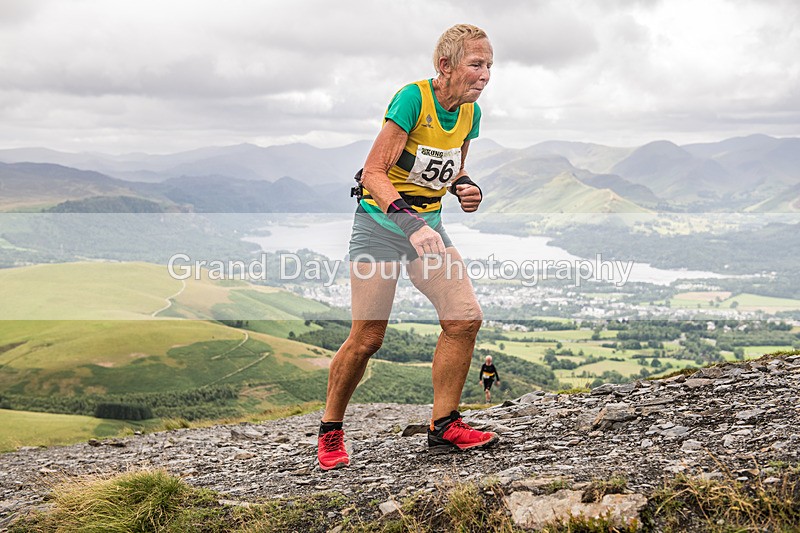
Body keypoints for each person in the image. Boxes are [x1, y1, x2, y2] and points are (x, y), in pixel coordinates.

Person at [317, 24, 498, 470]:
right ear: (445, 65)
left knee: (464, 319)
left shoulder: (470, 114)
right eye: (476, 64)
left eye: (490, 66)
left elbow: (451, 170)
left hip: (427, 227)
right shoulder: (412, 100)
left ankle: (444, 425)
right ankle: (330, 430)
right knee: (367, 338)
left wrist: (467, 187)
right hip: (381, 226)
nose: (485, 75)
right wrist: (411, 224)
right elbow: (373, 173)